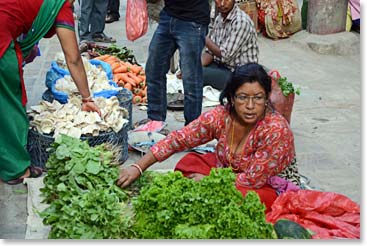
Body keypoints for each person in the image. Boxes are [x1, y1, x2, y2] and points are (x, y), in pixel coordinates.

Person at [117, 63, 301, 212]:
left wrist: (207, 182)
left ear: (267, 98)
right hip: (228, 171)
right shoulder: (222, 116)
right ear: (231, 97)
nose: (250, 106)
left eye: (258, 98)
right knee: (188, 164)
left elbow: (253, 180)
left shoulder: (275, 130)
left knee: (246, 200)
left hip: (264, 184)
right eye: (243, 97)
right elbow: (179, 139)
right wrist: (138, 167)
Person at [0, 0, 101, 185]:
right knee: (9, 105)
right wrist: (87, 98)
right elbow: (73, 58)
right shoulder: (61, 5)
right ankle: (16, 169)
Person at [145, 0, 210, 126]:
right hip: (168, 16)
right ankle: (155, 120)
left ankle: (192, 128)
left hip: (193, 20)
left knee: (190, 78)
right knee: (153, 69)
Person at [202, 0, 259, 91]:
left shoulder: (241, 22)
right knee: (190, 67)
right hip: (222, 67)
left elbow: (225, 55)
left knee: (197, 74)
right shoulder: (219, 19)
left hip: (241, 75)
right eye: (219, 0)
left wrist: (202, 37)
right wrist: (195, 65)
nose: (222, 4)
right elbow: (209, 52)